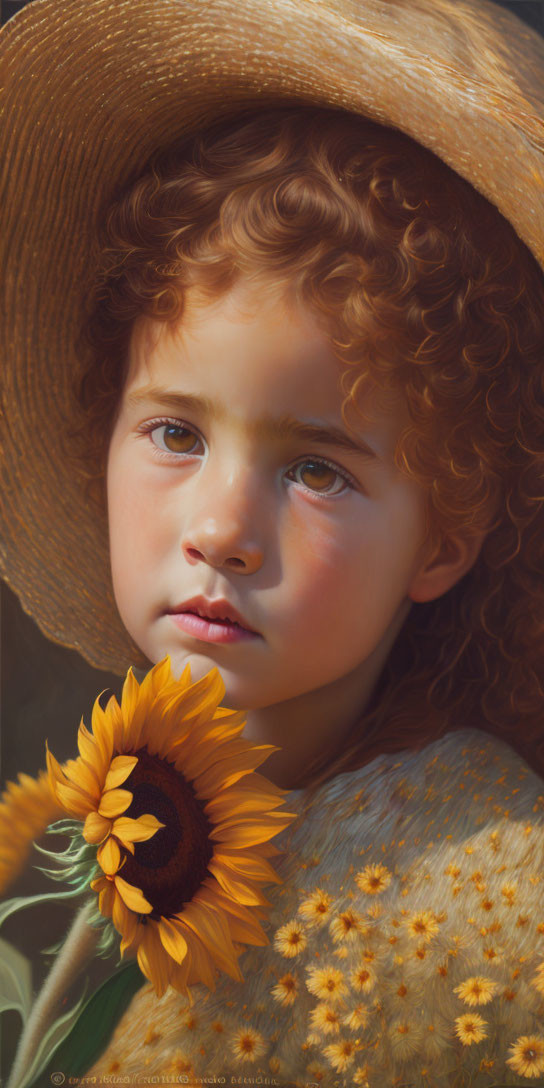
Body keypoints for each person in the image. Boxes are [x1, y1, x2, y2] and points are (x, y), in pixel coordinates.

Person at [1, 1, 544, 1086]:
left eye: (315, 470)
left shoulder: (482, 901)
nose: (219, 531)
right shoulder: (93, 813)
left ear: (444, 536)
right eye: (174, 433)